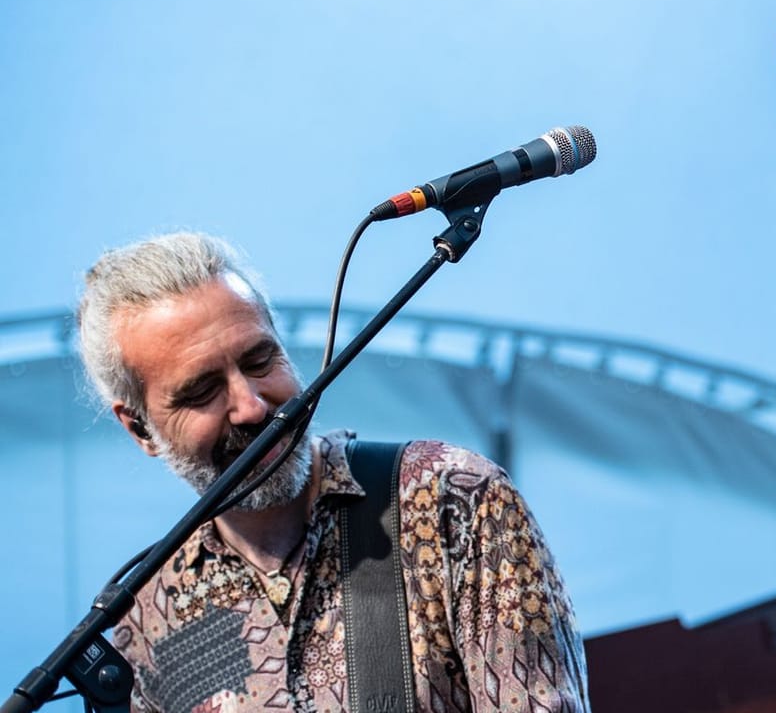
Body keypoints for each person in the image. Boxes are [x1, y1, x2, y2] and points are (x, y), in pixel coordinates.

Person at [76, 232, 589, 712]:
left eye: (260, 361)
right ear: (140, 429)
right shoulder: (146, 621)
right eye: (202, 390)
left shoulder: (452, 501)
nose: (252, 407)